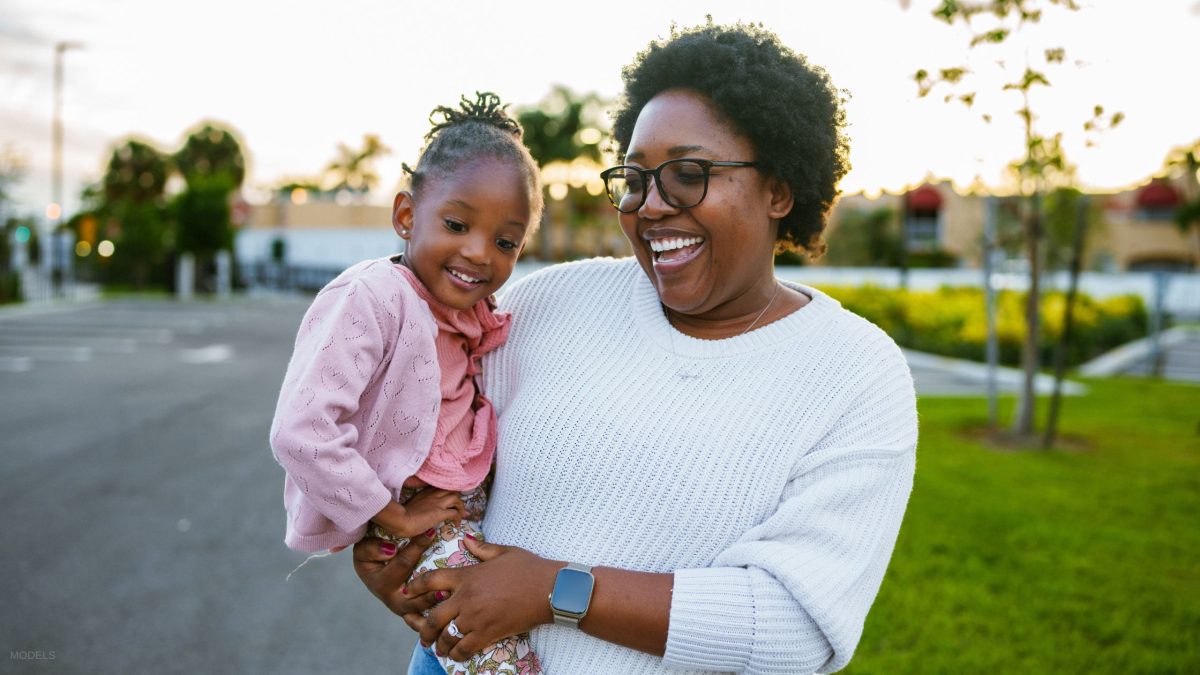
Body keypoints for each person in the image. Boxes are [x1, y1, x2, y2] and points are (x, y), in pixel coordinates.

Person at [356, 22, 918, 675]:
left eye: (687, 173)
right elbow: (433, 462)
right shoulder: (547, 305)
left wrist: (556, 590)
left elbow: (795, 626)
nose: (650, 206)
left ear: (779, 190)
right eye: (634, 177)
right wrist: (405, 570)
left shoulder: (856, 373)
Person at [270, 93, 545, 675]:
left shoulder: (468, 308)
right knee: (492, 652)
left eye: (505, 241)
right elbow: (302, 431)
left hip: (465, 510)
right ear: (404, 216)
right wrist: (392, 516)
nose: (478, 252)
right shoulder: (371, 296)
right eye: (456, 224)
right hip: (418, 516)